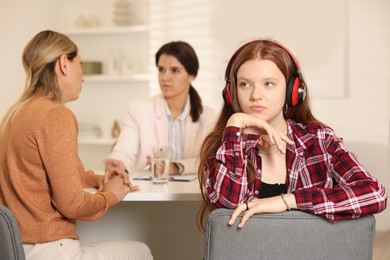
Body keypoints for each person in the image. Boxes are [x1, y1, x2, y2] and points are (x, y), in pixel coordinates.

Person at [197, 39, 387, 230]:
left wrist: (289, 201)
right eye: (245, 84)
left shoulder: (319, 140)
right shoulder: (225, 146)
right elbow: (227, 211)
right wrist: (235, 126)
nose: (255, 95)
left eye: (268, 84)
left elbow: (375, 194)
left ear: (293, 91)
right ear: (231, 92)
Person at [0, 30, 153, 259]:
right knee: (142, 251)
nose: (83, 76)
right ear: (63, 64)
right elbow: (72, 203)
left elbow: (58, 173)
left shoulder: (16, 113)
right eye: (79, 64)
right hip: (49, 250)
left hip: (16, 248)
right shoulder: (55, 115)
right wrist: (111, 195)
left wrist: (98, 180)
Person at [105, 41, 216, 176]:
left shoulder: (208, 116)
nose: (165, 77)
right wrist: (118, 163)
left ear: (191, 76)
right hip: (147, 193)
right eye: (161, 70)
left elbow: (209, 161)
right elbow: (123, 152)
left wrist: (175, 167)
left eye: (174, 70)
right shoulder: (137, 109)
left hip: (192, 194)